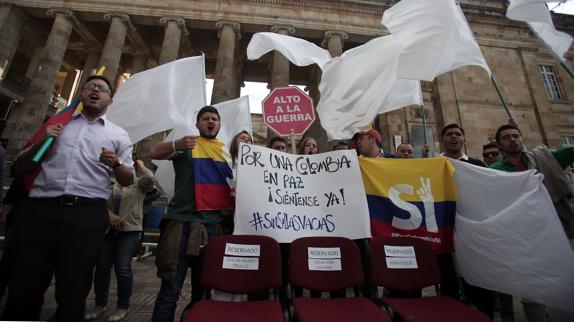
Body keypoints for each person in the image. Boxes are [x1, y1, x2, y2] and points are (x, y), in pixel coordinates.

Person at [4, 75, 135, 322]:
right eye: (90, 87)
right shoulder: (56, 124)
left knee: (74, 286)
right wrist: (43, 140)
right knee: (24, 283)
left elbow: (128, 179)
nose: (95, 91)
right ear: (82, 94)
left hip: (85, 214)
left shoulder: (118, 135)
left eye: (102, 89)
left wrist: (116, 163)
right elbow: (21, 167)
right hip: (40, 210)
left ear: (110, 100)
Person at [149, 106, 231, 322]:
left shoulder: (226, 153)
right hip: (181, 224)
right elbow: (153, 153)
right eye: (205, 118)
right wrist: (176, 144)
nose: (210, 121)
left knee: (204, 291)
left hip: (213, 226)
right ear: (198, 124)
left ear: (219, 125)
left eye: (214, 118)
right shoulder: (188, 144)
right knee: (170, 290)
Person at [490, 123, 574, 322]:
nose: (512, 140)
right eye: (507, 137)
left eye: (516, 135)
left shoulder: (544, 158)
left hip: (557, 230)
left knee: (564, 284)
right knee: (531, 291)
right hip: (525, 235)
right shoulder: (496, 170)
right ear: (499, 144)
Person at [85, 159, 155, 321]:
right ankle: (99, 304)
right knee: (102, 267)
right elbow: (97, 199)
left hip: (129, 229)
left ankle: (122, 306)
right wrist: (108, 215)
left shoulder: (139, 183)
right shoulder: (107, 181)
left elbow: (150, 179)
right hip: (107, 229)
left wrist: (142, 166)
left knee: (123, 267)